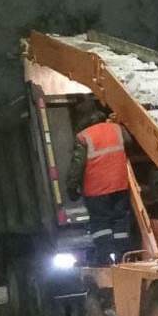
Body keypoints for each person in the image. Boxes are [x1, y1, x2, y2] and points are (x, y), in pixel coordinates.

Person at [66, 109, 133, 265]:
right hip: (119, 184)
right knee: (120, 219)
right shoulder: (117, 129)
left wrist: (72, 186)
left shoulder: (83, 136)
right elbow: (128, 143)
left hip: (96, 188)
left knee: (101, 222)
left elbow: (78, 164)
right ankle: (123, 255)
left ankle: (105, 257)